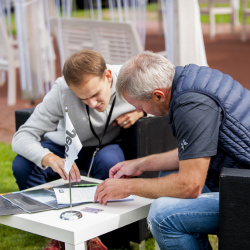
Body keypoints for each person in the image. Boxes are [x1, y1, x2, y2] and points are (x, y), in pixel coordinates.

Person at [94, 51, 250, 249]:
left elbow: (190, 185)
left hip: (244, 192)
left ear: (157, 95)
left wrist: (126, 187)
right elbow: (195, 153)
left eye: (138, 106)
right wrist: (140, 164)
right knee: (168, 175)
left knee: (162, 215)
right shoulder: (188, 81)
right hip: (238, 178)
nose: (140, 112)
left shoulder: (191, 106)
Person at [12, 49, 144, 191]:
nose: (92, 104)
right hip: (66, 147)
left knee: (110, 163)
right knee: (22, 165)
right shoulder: (62, 90)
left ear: (108, 76)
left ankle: (102, 210)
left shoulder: (129, 79)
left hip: (107, 146)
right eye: (83, 99)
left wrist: (141, 111)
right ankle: (41, 208)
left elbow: (163, 101)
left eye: (95, 94)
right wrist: (49, 158)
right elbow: (22, 136)